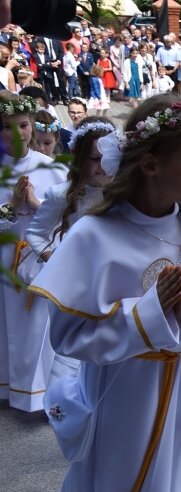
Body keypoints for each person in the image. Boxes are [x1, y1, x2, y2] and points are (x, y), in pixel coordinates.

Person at [29, 94, 181, 492]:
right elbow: (67, 335)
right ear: (150, 164)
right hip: (119, 394)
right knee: (122, 484)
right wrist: (146, 314)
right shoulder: (94, 236)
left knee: (180, 481)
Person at [25, 117, 115, 385]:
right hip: (77, 287)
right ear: (78, 158)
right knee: (80, 354)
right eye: (93, 158)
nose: (101, 166)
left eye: (106, 158)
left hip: (116, 283)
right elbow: (36, 233)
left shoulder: (126, 193)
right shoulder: (62, 194)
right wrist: (54, 260)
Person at [0, 93, 66, 412]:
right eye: (6, 128)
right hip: (5, 259)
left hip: (39, 258)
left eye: (23, 125)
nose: (17, 134)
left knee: (38, 326)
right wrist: (11, 207)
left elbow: (69, 219)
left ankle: (38, 392)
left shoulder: (51, 169)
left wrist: (37, 205)